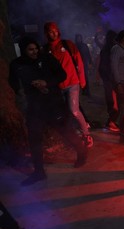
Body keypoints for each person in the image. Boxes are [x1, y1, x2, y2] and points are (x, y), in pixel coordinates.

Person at [9, 37, 88, 186]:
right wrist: (21, 89)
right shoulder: (17, 64)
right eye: (30, 50)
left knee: (65, 131)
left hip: (53, 104)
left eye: (36, 48)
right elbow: (12, 82)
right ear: (23, 50)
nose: (35, 52)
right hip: (34, 107)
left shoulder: (47, 58)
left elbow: (62, 75)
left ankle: (82, 151)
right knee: (34, 139)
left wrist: (47, 82)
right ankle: (39, 171)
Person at [43, 21, 93, 148]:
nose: (53, 33)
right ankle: (72, 135)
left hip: (72, 83)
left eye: (55, 30)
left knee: (74, 110)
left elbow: (79, 61)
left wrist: (82, 80)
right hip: (57, 87)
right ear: (46, 33)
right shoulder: (46, 49)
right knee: (64, 113)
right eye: (50, 31)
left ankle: (87, 134)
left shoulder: (67, 44)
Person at [99, 30, 120, 132]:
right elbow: (105, 66)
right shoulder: (110, 49)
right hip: (110, 80)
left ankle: (112, 122)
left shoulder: (107, 49)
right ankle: (111, 123)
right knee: (113, 102)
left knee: (114, 102)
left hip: (110, 79)